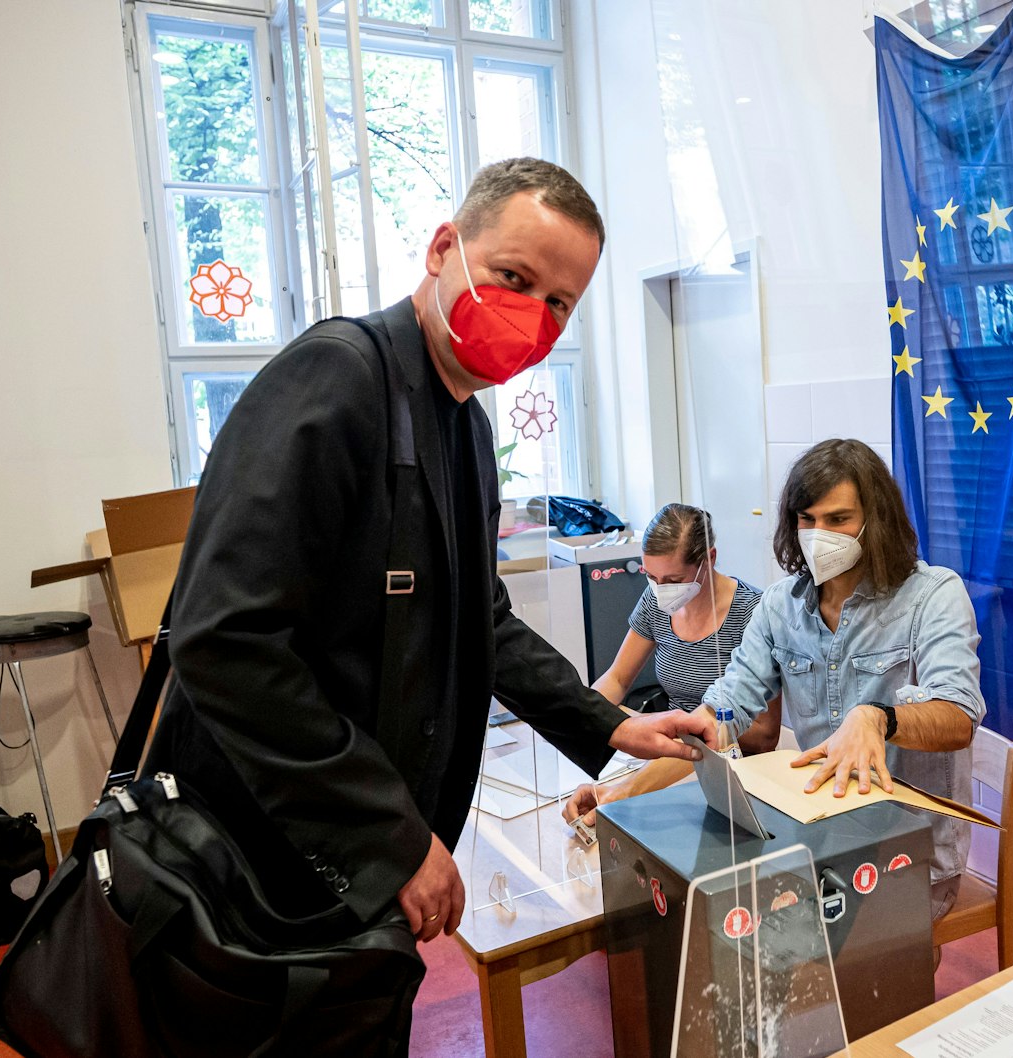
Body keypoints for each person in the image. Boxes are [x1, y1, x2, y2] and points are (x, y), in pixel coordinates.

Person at [143, 159, 713, 1035]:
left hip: (356, 883)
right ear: (445, 247)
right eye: (514, 279)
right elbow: (224, 642)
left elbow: (478, 618)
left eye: (560, 303)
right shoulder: (335, 384)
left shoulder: (465, 426)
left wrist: (607, 726)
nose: (534, 314)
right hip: (268, 870)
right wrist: (393, 839)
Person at [568, 439, 986, 919]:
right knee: (708, 921)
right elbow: (716, 721)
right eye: (806, 520)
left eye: (838, 520)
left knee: (799, 951)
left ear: (877, 521)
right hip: (814, 838)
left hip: (909, 854)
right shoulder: (780, 607)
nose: (818, 534)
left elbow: (957, 717)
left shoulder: (933, 596)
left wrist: (878, 719)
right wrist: (619, 795)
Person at [565, 504, 779, 820]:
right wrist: (586, 721)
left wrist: (684, 725)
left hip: (731, 770)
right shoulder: (655, 601)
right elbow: (618, 679)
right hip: (668, 757)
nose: (661, 589)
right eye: (652, 577)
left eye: (673, 579)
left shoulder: (753, 613)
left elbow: (764, 735)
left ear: (710, 559)